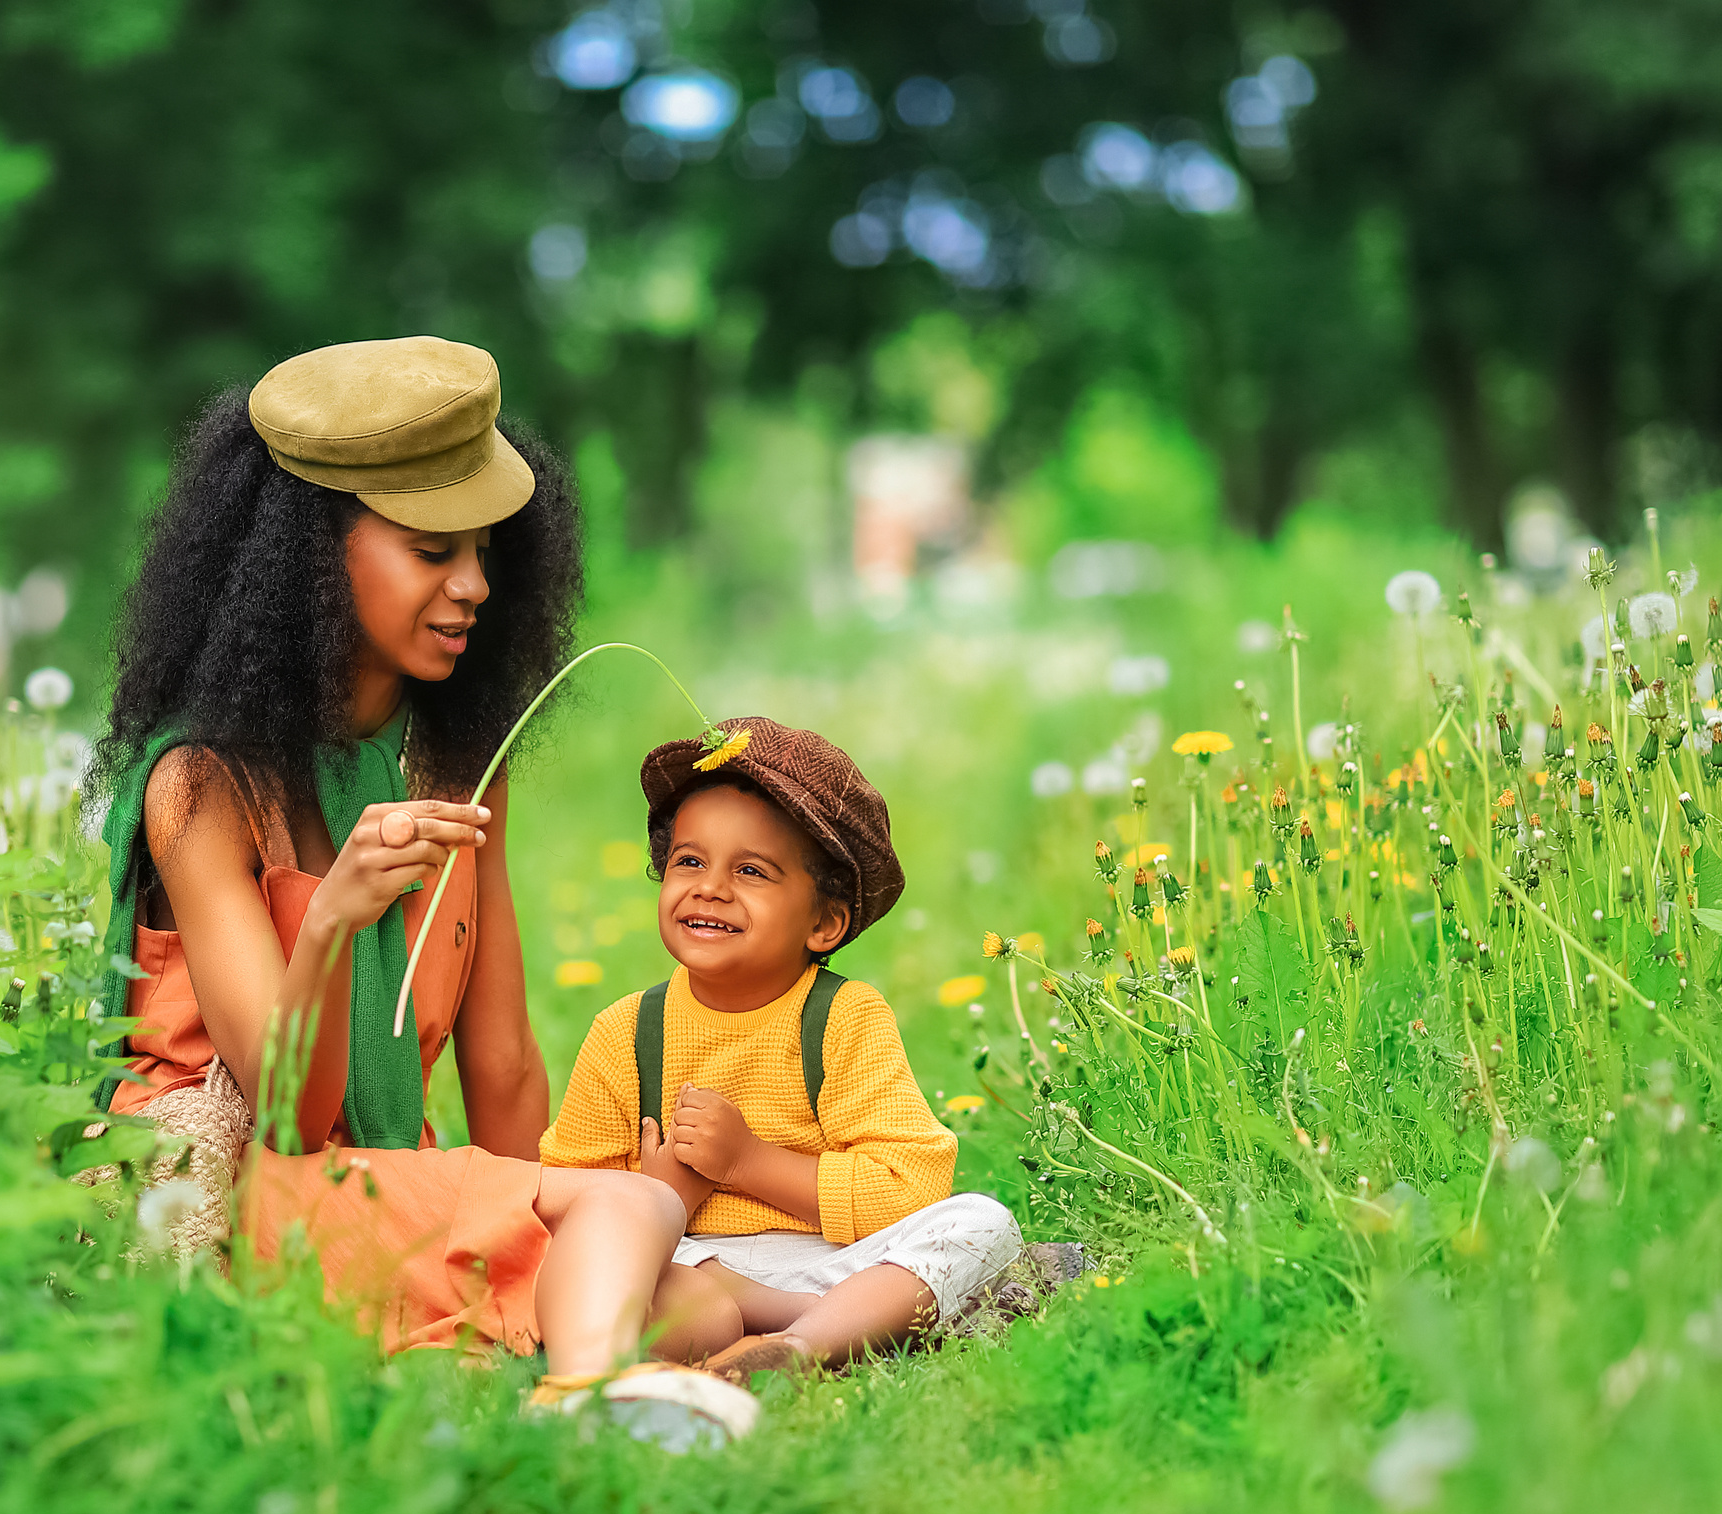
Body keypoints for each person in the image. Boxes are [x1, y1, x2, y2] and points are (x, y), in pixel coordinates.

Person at [87, 335, 751, 1442]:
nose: (475, 586)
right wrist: (334, 916)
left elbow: (504, 1061)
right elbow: (289, 1115)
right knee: (634, 1209)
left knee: (687, 1298)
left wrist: (535, 1214)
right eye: (433, 551)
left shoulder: (451, 763)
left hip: (391, 1181)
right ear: (309, 561)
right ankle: (578, 1405)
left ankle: (481, 1364)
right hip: (250, 1195)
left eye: (485, 551)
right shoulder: (198, 785)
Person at [542, 717, 1024, 1382]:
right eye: (689, 861)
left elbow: (909, 1186)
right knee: (619, 1281)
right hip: (693, 1268)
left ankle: (790, 1347)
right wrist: (655, 1199)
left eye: (750, 870)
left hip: (829, 1261)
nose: (709, 887)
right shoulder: (626, 1031)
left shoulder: (843, 1018)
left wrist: (748, 1162)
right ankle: (823, 1323)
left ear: (823, 922)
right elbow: (563, 1203)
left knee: (980, 1224)